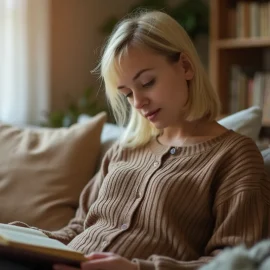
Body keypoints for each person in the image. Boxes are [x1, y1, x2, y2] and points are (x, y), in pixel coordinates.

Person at [3, 9, 270, 270]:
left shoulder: (235, 156)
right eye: (127, 93)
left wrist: (135, 268)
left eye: (147, 82)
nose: (139, 102)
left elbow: (233, 262)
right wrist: (21, 238)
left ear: (186, 67)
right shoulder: (125, 149)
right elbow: (78, 227)